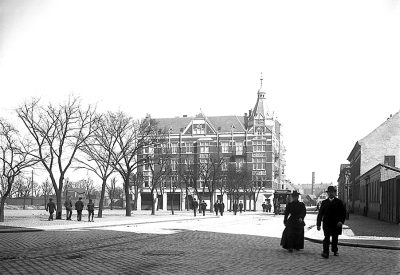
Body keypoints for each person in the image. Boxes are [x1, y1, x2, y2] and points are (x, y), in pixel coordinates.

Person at [317, 186, 346, 259]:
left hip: (336, 224)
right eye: (329, 192)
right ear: (328, 193)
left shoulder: (339, 202)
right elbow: (320, 214)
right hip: (326, 223)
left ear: (334, 193)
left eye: (332, 192)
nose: (331, 193)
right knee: (326, 238)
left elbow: (343, 213)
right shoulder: (324, 202)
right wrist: (318, 224)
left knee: (335, 238)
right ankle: (325, 252)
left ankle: (335, 250)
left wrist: (341, 221)